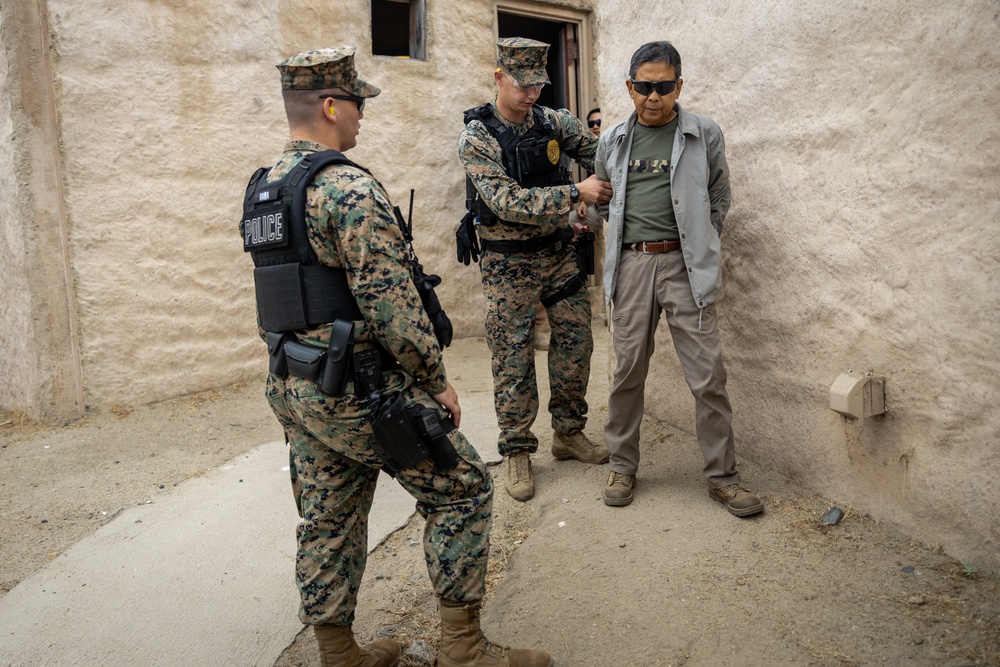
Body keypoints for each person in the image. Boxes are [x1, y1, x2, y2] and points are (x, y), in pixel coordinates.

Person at [245, 47, 553, 667]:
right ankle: (463, 649)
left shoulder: (264, 189)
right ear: (330, 107)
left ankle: (339, 656)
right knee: (463, 488)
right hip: (359, 389)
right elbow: (391, 305)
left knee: (328, 514)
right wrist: (435, 380)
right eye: (356, 103)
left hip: (294, 381)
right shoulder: (348, 188)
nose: (362, 115)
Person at [594, 41, 763, 516]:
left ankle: (723, 477)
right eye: (644, 86)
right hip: (632, 266)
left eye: (664, 86)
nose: (654, 96)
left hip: (687, 267)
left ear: (679, 86)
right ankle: (622, 466)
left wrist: (703, 238)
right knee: (627, 371)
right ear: (630, 87)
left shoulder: (703, 133)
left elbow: (719, 194)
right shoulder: (612, 141)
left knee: (708, 375)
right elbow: (603, 199)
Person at [458, 37, 613, 502]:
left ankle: (568, 432)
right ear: (499, 77)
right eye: (522, 84)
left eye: (538, 85)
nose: (531, 94)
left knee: (577, 340)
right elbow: (505, 201)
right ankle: (518, 449)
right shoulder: (478, 137)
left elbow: (601, 158)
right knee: (513, 354)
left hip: (558, 252)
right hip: (508, 262)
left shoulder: (554, 122)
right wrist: (575, 193)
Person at [569, 107, 607, 322]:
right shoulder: (588, 149)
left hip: (613, 213)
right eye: (591, 124)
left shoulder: (611, 145)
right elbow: (592, 184)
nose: (595, 127)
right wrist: (583, 200)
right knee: (565, 222)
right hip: (596, 210)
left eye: (598, 122)